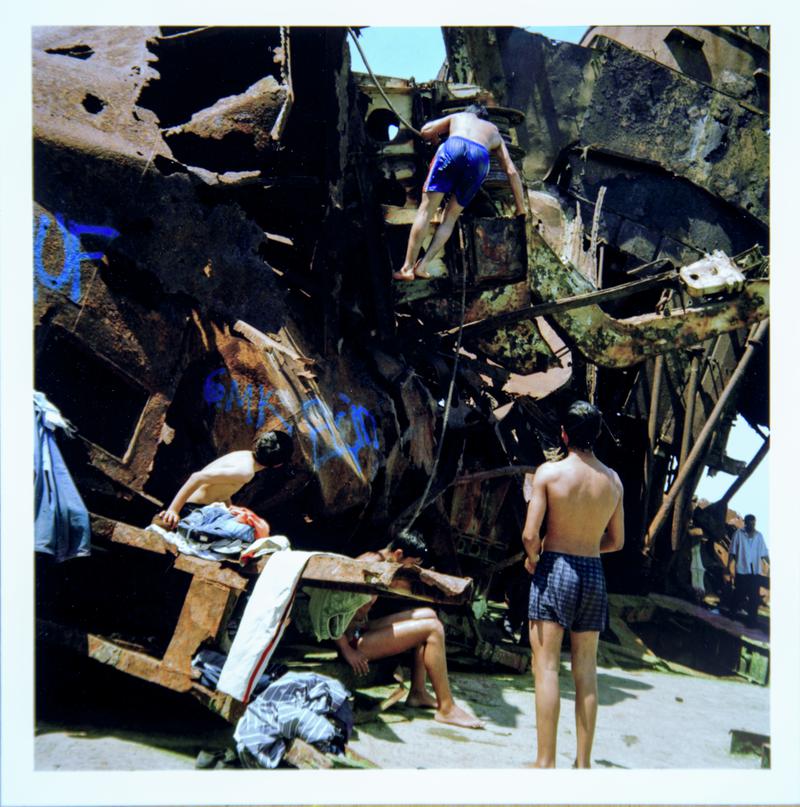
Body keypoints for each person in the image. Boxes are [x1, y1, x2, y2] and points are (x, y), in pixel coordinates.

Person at [521, 401, 624, 768]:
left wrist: (535, 559)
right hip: (594, 573)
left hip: (556, 567)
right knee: (586, 670)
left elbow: (530, 534)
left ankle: (545, 761)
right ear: (596, 436)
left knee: (546, 667)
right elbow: (617, 541)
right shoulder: (613, 481)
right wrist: (586, 546)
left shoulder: (549, 474)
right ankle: (583, 764)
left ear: (564, 434)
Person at [334, 529, 484, 729]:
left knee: (429, 614)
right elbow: (330, 608)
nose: (412, 569)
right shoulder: (369, 564)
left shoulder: (387, 564)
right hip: (352, 642)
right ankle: (446, 708)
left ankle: (418, 693)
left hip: (361, 629)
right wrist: (346, 650)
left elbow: (404, 584)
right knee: (433, 628)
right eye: (412, 564)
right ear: (398, 554)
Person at [392, 103, 526, 282]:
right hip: (480, 157)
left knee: (426, 211)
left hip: (453, 147)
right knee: (450, 218)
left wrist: (436, 137)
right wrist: (520, 207)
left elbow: (425, 131)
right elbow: (511, 170)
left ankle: (407, 268)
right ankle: (423, 265)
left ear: (470, 113)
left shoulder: (460, 117)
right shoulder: (493, 131)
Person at [155, 430, 293, 530]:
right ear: (278, 465)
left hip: (190, 505)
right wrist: (173, 510)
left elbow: (222, 491)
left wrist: (229, 509)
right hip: (189, 510)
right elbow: (197, 477)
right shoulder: (245, 472)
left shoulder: (244, 455)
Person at [728, 514, 769, 628]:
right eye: (750, 523)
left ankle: (752, 621)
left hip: (754, 572)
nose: (752, 525)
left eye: (754, 523)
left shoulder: (759, 536)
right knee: (739, 594)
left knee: (754, 597)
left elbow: (764, 553)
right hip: (742, 570)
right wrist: (728, 567)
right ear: (745, 523)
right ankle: (732, 613)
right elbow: (732, 552)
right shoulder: (738, 534)